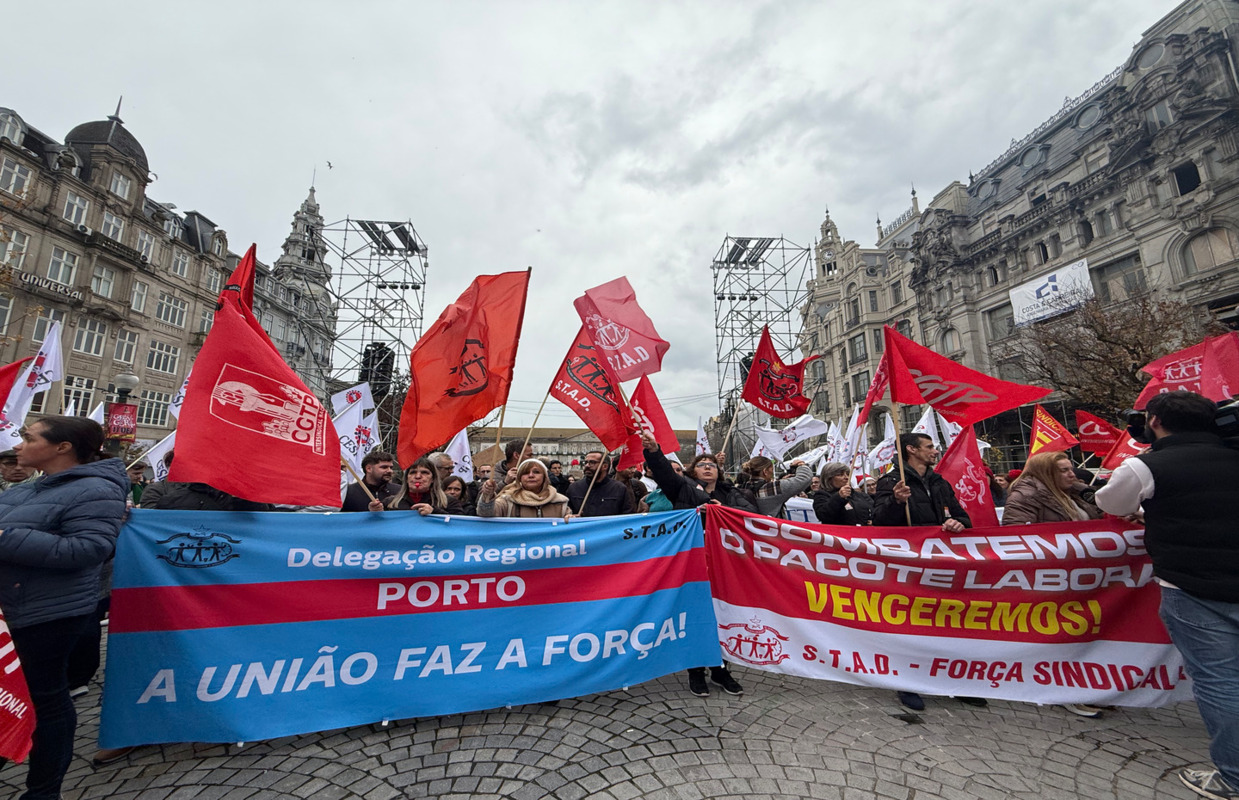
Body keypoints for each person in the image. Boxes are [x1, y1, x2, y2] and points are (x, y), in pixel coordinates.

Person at [1095, 392, 1239, 799]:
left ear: (1154, 420)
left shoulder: (1147, 465)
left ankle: (1233, 775)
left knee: (1220, 680)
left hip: (1193, 587)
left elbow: (1109, 500)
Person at [0, 416, 127, 800]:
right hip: (8, 610)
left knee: (45, 699)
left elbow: (88, 550)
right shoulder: (26, 489)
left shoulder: (96, 490)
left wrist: (6, 538)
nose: (18, 445)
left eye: (28, 438)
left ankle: (43, 790)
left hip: (47, 614)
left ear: (62, 447)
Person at [873, 432, 980, 712]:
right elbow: (879, 523)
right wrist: (895, 502)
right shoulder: (890, 482)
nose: (935, 451)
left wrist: (958, 523)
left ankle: (951, 682)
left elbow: (963, 516)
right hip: (907, 567)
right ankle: (908, 682)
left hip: (941, 565)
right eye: (929, 447)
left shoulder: (939, 482)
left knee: (945, 623)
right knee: (910, 625)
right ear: (911, 450)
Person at [1001, 451, 1104, 719]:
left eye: (1070, 468)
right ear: (1046, 472)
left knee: (1086, 633)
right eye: (1063, 470)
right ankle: (1066, 690)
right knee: (1064, 635)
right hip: (1052, 579)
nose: (1071, 474)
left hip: (1084, 577)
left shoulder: (1079, 492)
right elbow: (1016, 538)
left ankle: (1088, 685)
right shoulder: (1025, 496)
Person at [477, 459, 572, 519]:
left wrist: (572, 521)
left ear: (545, 477)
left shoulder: (560, 502)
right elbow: (485, 513)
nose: (531, 475)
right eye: (525, 473)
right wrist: (487, 495)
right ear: (519, 478)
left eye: (536, 472)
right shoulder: (507, 499)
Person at [372, 457, 463, 515]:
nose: (418, 476)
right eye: (413, 472)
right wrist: (374, 513)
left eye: (424, 473)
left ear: (433, 479)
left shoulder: (449, 502)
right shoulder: (390, 503)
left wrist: (434, 512)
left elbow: (461, 526)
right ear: (407, 478)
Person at [737, 456, 813, 518]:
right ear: (765, 472)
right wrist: (801, 465)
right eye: (772, 469)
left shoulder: (743, 488)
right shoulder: (773, 489)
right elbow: (804, 478)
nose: (772, 473)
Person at [566, 451, 637, 517]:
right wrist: (569, 515)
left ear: (605, 466)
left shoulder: (619, 488)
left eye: (592, 462)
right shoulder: (574, 488)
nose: (587, 465)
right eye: (586, 462)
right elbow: (566, 512)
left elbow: (628, 516)